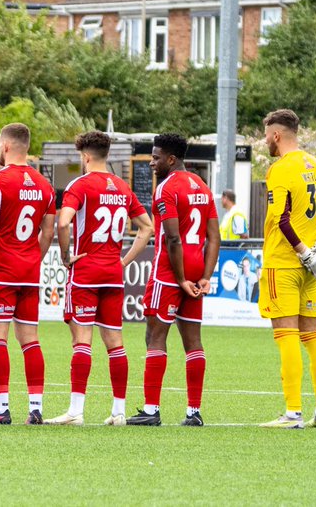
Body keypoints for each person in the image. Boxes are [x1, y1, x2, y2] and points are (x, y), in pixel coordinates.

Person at [45, 130, 151, 427]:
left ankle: (75, 411)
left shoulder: (80, 185)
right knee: (115, 343)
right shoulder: (122, 187)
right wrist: (124, 260)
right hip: (113, 274)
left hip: (86, 272)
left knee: (82, 341)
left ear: (85, 156)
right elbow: (147, 227)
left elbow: (63, 222)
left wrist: (66, 256)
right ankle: (119, 411)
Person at [127, 134, 220, 427]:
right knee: (193, 342)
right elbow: (214, 237)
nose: (151, 163)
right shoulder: (203, 187)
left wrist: (180, 279)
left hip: (170, 272)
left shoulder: (166, 188)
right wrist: (205, 276)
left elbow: (173, 238)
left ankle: (151, 410)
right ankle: (194, 412)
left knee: (155, 336)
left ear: (171, 159)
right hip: (196, 269)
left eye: (156, 158)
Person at [257, 109, 316, 429]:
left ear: (277, 135)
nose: (265, 140)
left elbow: (281, 218)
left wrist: (305, 253)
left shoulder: (280, 169)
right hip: (310, 267)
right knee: (313, 335)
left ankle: (292, 413)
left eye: (266, 135)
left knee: (286, 335)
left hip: (284, 262)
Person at [0, 124, 58, 425]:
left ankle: (0, 407)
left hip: (0, 270)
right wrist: (33, 256)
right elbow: (47, 232)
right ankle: (36, 407)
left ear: (6, 146)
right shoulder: (45, 185)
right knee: (30, 340)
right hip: (29, 271)